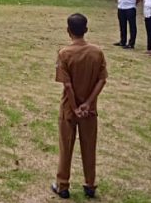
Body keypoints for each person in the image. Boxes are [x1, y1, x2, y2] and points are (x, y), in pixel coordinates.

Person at [51, 13, 107, 200]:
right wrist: (88, 103)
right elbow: (102, 79)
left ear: (68, 31)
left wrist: (75, 107)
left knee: (66, 146)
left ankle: (63, 184)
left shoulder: (65, 53)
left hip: (69, 108)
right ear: (86, 30)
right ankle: (90, 183)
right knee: (89, 145)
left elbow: (67, 85)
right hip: (90, 109)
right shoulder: (97, 52)